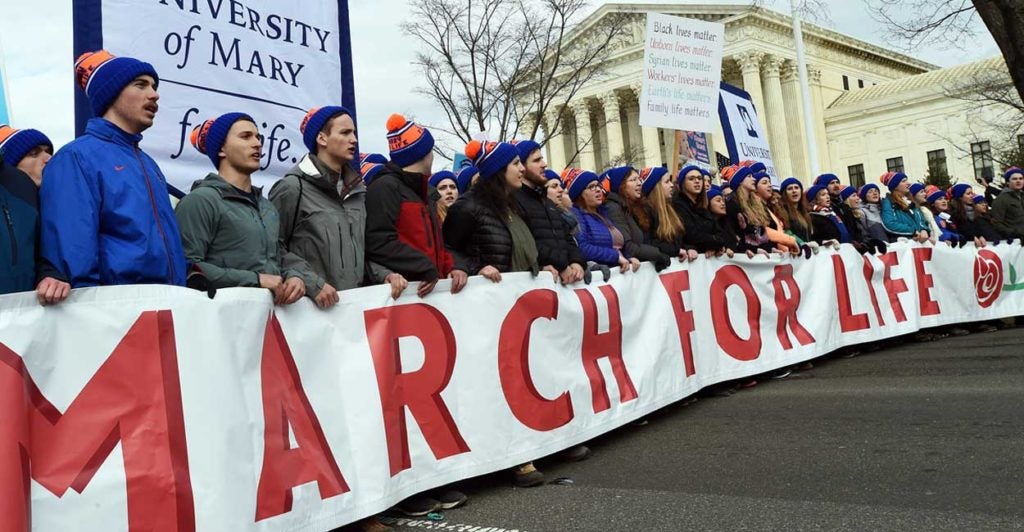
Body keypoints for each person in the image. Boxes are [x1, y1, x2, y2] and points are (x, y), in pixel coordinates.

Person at [40, 50, 188, 288]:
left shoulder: (149, 164)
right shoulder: (76, 157)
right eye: (140, 85)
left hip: (168, 301)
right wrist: (91, 304)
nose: (154, 94)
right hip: (116, 306)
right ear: (111, 93)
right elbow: (72, 252)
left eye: (154, 86)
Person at [270, 106, 405, 309]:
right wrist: (312, 283)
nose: (354, 140)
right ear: (322, 138)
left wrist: (384, 274)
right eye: (345, 133)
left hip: (353, 311)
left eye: (354, 133)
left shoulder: (359, 192)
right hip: (308, 314)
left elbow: (363, 251)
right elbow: (272, 248)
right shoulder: (292, 188)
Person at [174, 113, 306, 304]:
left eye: (258, 137)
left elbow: (277, 257)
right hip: (220, 316)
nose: (257, 144)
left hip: (265, 318)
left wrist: (294, 275)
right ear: (221, 149)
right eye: (245, 137)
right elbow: (186, 266)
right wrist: (255, 279)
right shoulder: (200, 201)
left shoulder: (267, 207)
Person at [365, 114, 468, 298]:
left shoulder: (426, 193)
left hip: (431, 292)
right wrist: (423, 267)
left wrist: (453, 266)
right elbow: (379, 242)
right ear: (424, 154)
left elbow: (438, 244)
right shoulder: (384, 187)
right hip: (405, 294)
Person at [443, 140, 537, 278]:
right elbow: (447, 248)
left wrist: (541, 267)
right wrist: (475, 269)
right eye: (516, 163)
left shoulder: (513, 205)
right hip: (487, 289)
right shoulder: (468, 206)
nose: (522, 168)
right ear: (499, 169)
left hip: (515, 287)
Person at [511, 140, 586, 284]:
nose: (544, 164)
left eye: (542, 159)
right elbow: (527, 244)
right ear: (522, 167)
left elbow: (567, 238)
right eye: (537, 160)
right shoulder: (514, 201)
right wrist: (562, 265)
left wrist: (576, 262)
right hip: (540, 282)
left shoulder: (547, 202)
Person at [564, 168, 639, 272]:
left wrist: (628, 257)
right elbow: (582, 248)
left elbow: (616, 244)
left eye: (598, 185)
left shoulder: (603, 213)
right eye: (591, 187)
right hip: (600, 274)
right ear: (580, 193)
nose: (598, 190)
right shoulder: (577, 214)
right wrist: (616, 257)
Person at [601, 166, 670, 270]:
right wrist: (658, 254)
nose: (639, 183)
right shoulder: (614, 208)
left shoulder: (634, 207)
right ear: (621, 186)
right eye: (633, 180)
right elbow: (628, 247)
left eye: (639, 179)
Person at [630, 167, 697, 261]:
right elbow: (648, 242)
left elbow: (678, 240)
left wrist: (689, 248)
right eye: (667, 182)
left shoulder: (671, 209)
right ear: (656, 188)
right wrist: (676, 251)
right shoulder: (644, 212)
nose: (671, 185)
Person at [673, 165, 727, 254]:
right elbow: (692, 236)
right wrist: (714, 242)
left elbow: (720, 234)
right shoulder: (678, 205)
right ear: (683, 183)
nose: (697, 181)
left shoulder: (703, 207)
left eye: (699, 178)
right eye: (691, 179)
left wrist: (714, 245)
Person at [721, 165, 774, 254]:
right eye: (749, 176)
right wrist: (754, 250)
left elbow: (761, 233)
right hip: (745, 254)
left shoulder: (756, 204)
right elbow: (733, 234)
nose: (754, 179)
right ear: (740, 181)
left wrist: (770, 249)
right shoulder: (732, 204)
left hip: (759, 253)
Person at [879, 172, 930, 243]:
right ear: (895, 186)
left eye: (907, 180)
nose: (908, 183)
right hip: (904, 244)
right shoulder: (888, 202)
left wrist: (923, 230)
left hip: (919, 242)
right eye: (904, 181)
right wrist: (913, 231)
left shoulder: (911, 201)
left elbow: (921, 220)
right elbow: (889, 224)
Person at [991, 166, 1024, 241]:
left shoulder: (1022, 196)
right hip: (1015, 242)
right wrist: (1016, 233)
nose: (1018, 181)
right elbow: (997, 224)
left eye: (1021, 178)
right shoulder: (1001, 199)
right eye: (1014, 179)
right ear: (1008, 182)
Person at [776, 177, 813, 244]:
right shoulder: (782, 211)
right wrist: (802, 244)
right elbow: (786, 232)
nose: (794, 191)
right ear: (784, 193)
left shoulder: (805, 212)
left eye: (796, 187)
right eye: (790, 189)